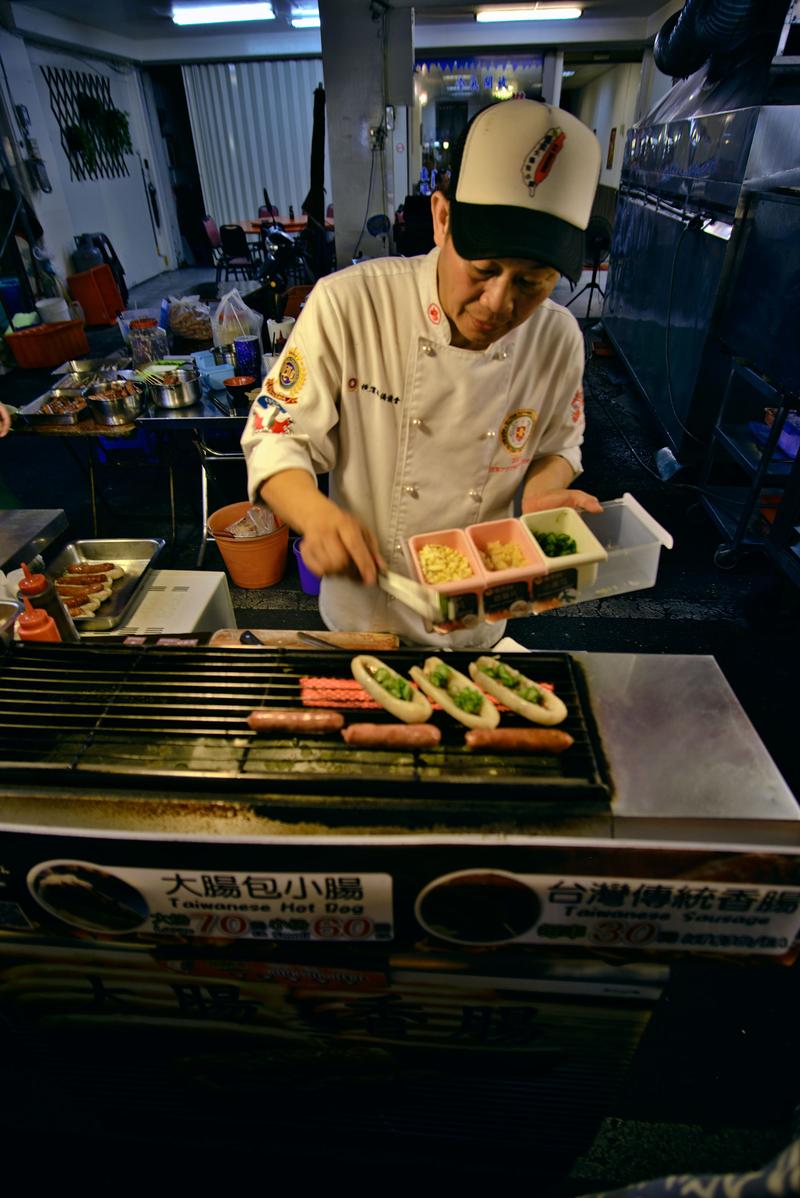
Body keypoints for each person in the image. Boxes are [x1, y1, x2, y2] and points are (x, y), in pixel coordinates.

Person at [242, 100, 602, 648]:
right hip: (366, 617)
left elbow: (559, 444)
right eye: (484, 270)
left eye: (533, 282)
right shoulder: (350, 304)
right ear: (442, 218)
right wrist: (314, 515)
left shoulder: (557, 339)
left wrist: (541, 494)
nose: (498, 303)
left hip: (480, 616)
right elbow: (276, 433)